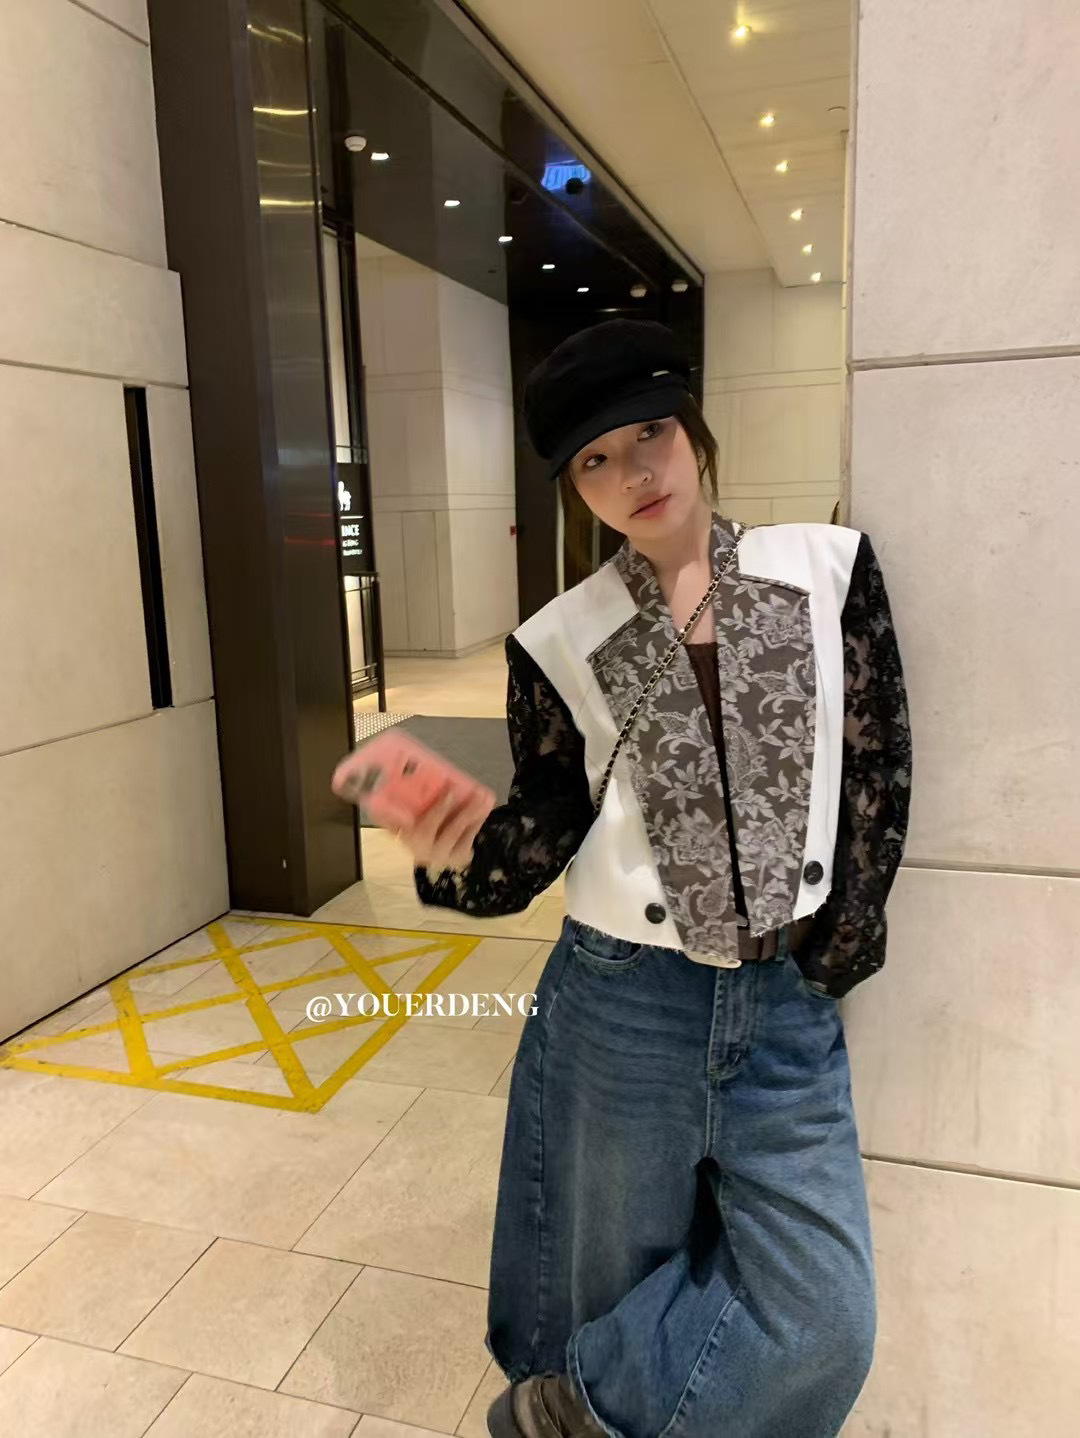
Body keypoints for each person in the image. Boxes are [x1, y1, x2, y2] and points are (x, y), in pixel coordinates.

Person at [385, 320, 912, 1438]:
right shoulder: (561, 637)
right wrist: (456, 849)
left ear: (693, 431)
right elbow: (549, 819)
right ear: (574, 487)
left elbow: (878, 763)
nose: (634, 472)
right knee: (608, 1279)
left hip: (784, 1011)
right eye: (595, 459)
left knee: (824, 1320)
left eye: (650, 434)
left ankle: (574, 1409)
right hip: (624, 1000)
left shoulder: (824, 571)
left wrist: (847, 930)